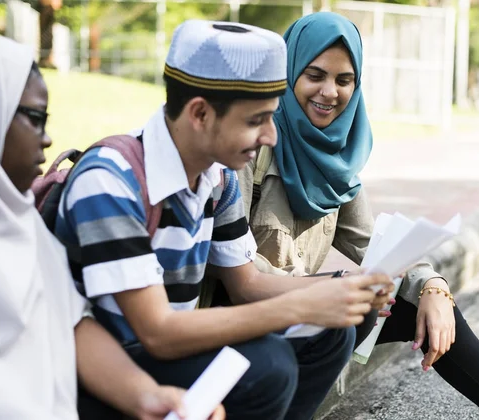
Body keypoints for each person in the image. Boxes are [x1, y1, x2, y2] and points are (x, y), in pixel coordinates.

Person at [52, 20, 394, 420]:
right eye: (256, 120)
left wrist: (337, 290)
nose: (271, 135)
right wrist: (302, 304)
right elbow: (156, 333)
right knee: (269, 366)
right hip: (111, 369)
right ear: (200, 113)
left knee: (334, 331)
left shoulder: (218, 177)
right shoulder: (111, 181)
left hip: (170, 349)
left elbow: (246, 284)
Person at [237, 11, 479, 419]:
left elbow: (375, 243)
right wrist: (329, 288)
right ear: (288, 74)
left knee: (414, 304)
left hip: (308, 318)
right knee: (348, 314)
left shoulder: (335, 160)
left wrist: (433, 285)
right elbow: (236, 272)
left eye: (344, 80)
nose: (329, 92)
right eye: (315, 75)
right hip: (244, 322)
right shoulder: (249, 147)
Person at [0, 32, 225, 420]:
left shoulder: (19, 222)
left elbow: (72, 325)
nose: (49, 139)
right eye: (35, 118)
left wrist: (145, 396)